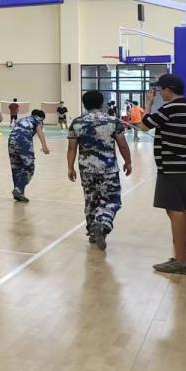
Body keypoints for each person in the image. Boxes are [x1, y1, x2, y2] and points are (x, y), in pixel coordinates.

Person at [135, 74, 186, 273]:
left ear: (168, 90)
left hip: (172, 169)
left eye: (160, 90)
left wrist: (148, 104)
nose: (159, 93)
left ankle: (181, 261)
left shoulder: (168, 109)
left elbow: (143, 126)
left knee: (175, 211)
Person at [69, 90, 131, 251]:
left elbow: (72, 147)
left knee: (91, 199)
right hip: (108, 169)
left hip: (86, 169)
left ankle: (92, 232)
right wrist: (128, 162)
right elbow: (122, 144)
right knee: (112, 199)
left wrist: (70, 167)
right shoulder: (112, 121)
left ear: (84, 104)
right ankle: (102, 224)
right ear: (101, 103)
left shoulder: (77, 122)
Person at [8, 109, 50, 203]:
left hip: (11, 140)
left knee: (16, 168)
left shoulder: (22, 119)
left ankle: (19, 193)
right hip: (23, 141)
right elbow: (39, 130)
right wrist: (44, 146)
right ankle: (19, 189)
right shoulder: (37, 119)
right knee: (29, 167)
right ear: (41, 117)